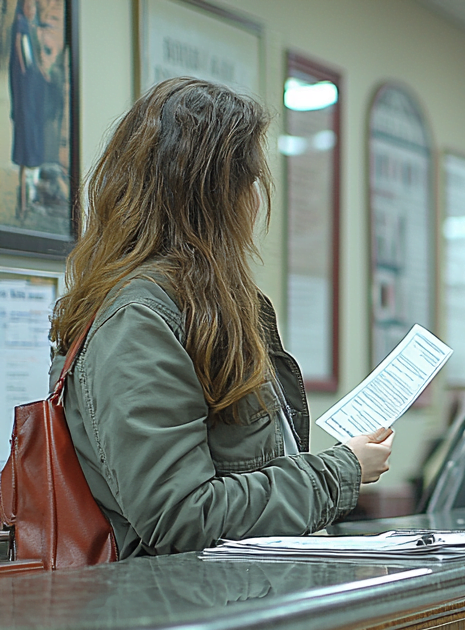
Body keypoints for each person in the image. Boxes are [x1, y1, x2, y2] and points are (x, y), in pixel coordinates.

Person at [47, 77, 392, 559]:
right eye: (250, 184)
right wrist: (338, 474)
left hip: (237, 603)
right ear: (214, 197)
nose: (255, 205)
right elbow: (183, 515)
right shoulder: (138, 319)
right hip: (176, 617)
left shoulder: (209, 307)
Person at [9, 0, 47, 218]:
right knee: (26, 148)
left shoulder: (30, 29)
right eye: (28, 5)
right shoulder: (21, 27)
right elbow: (24, 63)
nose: (31, 10)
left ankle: (28, 199)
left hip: (32, 99)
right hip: (26, 100)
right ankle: (24, 202)